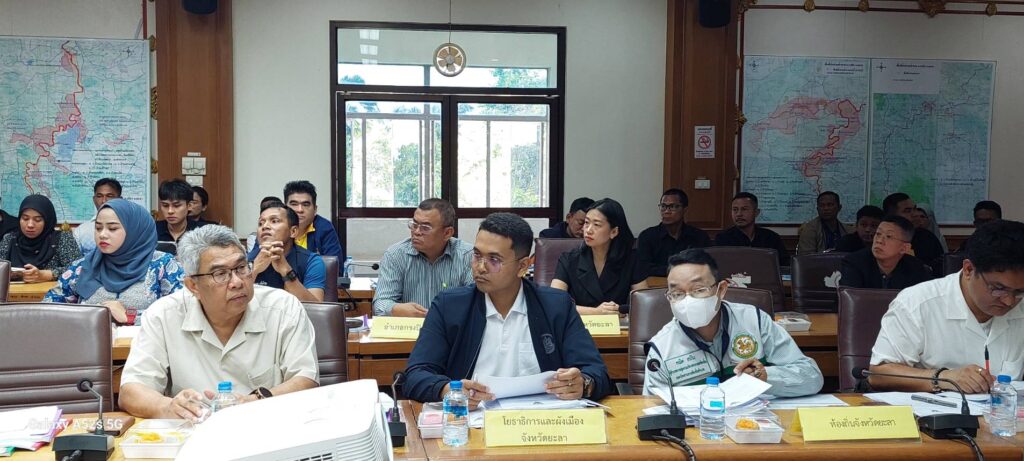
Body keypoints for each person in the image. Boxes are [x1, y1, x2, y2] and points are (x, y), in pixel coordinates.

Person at [403, 212, 612, 408]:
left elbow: (597, 372)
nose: (480, 267)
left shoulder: (556, 306)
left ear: (523, 266)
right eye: (477, 255)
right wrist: (448, 390)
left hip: (541, 422)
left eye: (494, 260)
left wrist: (583, 384)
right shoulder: (450, 306)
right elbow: (415, 375)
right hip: (473, 420)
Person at [118, 225, 319, 419]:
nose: (237, 282)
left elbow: (306, 380)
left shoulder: (283, 309)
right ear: (193, 286)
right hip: (191, 432)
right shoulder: (163, 315)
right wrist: (169, 407)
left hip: (267, 428)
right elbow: (132, 390)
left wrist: (255, 402)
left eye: (241, 268)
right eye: (220, 274)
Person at [869, 219, 1024, 393]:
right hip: (936, 409)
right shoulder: (917, 303)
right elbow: (878, 374)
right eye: (998, 289)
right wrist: (943, 377)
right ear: (969, 270)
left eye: (1019, 292)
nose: (1009, 301)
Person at [642, 249, 822, 397]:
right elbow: (651, 407)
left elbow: (812, 377)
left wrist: (767, 377)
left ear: (721, 290)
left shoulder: (755, 321)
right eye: (677, 294)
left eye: (699, 290)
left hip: (757, 423)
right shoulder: (661, 348)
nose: (687, 301)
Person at [45, 199, 185, 324]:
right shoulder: (84, 266)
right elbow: (48, 308)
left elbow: (182, 311)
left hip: (143, 343)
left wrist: (130, 316)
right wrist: (86, 316)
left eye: (112, 228)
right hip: (89, 341)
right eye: (98, 228)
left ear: (134, 231)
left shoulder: (162, 265)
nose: (102, 234)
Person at [373, 198, 473, 317]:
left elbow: (476, 303)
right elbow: (380, 303)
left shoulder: (468, 256)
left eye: (425, 227)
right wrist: (395, 309)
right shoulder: (396, 255)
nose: (416, 232)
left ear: (447, 233)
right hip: (409, 327)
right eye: (414, 225)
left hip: (452, 327)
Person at [551, 198, 648, 315]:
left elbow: (644, 303)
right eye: (586, 222)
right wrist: (596, 311)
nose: (588, 230)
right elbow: (554, 303)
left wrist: (620, 310)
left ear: (614, 232)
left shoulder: (632, 260)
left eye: (596, 224)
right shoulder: (569, 259)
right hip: (578, 323)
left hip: (618, 324)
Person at [247, 201, 326, 302]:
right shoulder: (245, 260)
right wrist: (254, 270)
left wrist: (286, 271)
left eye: (274, 221)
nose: (265, 226)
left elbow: (315, 307)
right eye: (260, 223)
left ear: (293, 231)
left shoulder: (312, 261)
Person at [0, 195, 81, 283]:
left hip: (50, 291)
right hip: (12, 291)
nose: (30, 225)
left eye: (37, 220)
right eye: (25, 218)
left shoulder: (62, 239)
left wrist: (46, 275)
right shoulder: (9, 239)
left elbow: (79, 270)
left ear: (47, 221)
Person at [839, 216, 933, 290]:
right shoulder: (854, 263)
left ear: (904, 248)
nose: (879, 240)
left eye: (889, 236)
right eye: (878, 234)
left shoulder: (917, 269)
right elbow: (850, 301)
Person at [636, 188, 712, 277]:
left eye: (672, 207)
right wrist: (676, 270)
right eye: (663, 206)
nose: (666, 211)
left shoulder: (699, 236)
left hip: (691, 282)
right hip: (657, 283)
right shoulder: (647, 236)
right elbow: (643, 267)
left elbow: (706, 266)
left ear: (685, 209)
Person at [714, 192, 789, 265]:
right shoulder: (723, 239)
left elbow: (784, 266)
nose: (739, 214)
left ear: (756, 212)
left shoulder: (771, 238)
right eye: (735, 209)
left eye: (744, 209)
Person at [881, 192, 944, 270]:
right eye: (907, 211)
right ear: (892, 216)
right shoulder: (882, 238)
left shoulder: (927, 237)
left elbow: (941, 267)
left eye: (914, 209)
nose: (914, 214)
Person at [284, 180, 343, 259]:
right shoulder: (276, 227)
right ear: (284, 208)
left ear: (315, 209)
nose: (300, 210)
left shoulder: (324, 228)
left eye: (305, 205)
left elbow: (335, 264)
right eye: (294, 204)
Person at [73, 178, 121, 253]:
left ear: (120, 199)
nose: (104, 201)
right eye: (99, 196)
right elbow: (74, 259)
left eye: (109, 196)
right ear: (94, 199)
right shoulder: (81, 231)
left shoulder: (131, 227)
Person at [156, 179, 203, 253]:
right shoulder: (152, 230)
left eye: (176, 205)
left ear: (189, 206)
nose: (170, 211)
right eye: (165, 205)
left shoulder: (200, 231)